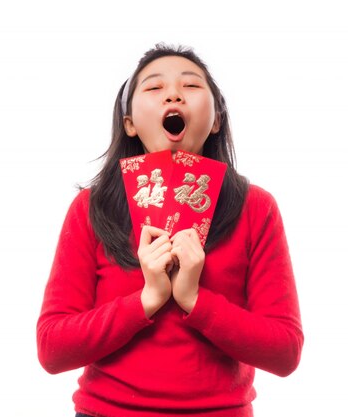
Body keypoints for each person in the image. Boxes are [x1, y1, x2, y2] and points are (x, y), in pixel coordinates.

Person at [37, 43, 303, 417]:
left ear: (216, 120)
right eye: (153, 87)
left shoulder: (255, 207)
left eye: (192, 86)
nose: (174, 93)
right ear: (129, 122)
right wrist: (147, 299)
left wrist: (195, 299)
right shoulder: (91, 208)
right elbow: (52, 348)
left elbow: (285, 352)